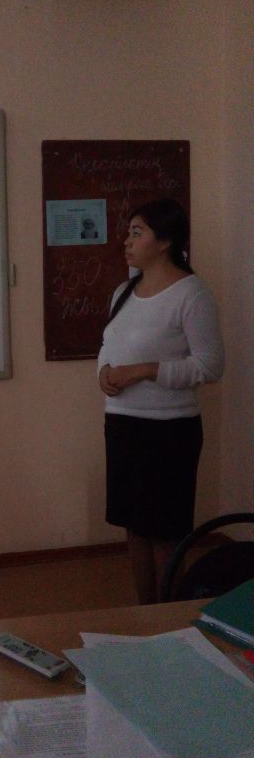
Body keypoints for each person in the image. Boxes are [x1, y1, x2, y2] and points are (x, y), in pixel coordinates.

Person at [97, 198, 224, 604]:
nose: (127, 241)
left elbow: (210, 365)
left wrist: (145, 370)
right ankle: (145, 611)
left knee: (166, 533)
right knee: (134, 528)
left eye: (137, 233)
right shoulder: (123, 291)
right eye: (128, 232)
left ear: (165, 241)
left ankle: (168, 617)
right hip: (123, 425)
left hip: (169, 431)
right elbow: (108, 346)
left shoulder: (191, 294)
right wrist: (104, 371)